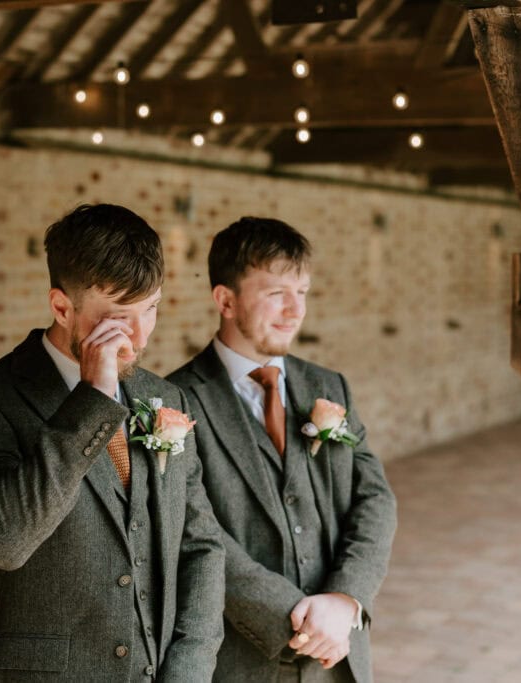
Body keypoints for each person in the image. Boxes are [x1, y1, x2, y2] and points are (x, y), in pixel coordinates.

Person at [0, 204, 225, 682]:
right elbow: (5, 543)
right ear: (61, 306)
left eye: (151, 308)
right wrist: (92, 399)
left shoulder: (165, 396)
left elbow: (201, 546)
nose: (138, 337)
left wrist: (189, 672)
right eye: (118, 319)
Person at [167, 217, 396, 682]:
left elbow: (375, 500)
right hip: (239, 661)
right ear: (225, 300)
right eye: (276, 293)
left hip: (338, 656)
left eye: (303, 292)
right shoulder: (176, 402)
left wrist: (344, 600)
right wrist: (296, 617)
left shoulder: (329, 385)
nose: (295, 311)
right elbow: (192, 532)